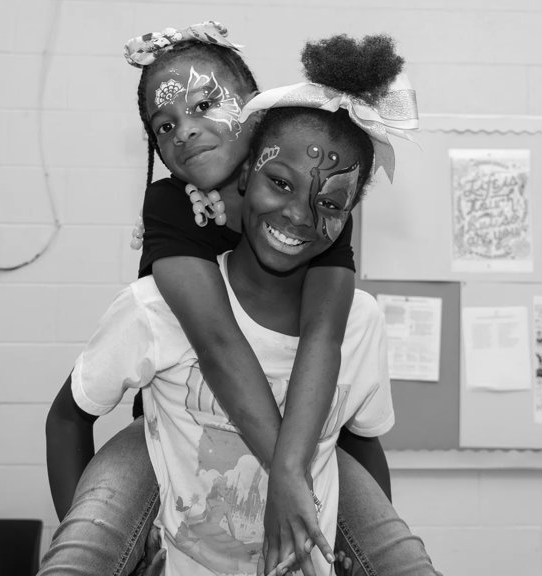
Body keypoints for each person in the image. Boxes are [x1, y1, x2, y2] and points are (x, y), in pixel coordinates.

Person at [39, 24, 437, 576]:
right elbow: (217, 341)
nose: (186, 132)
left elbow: (325, 335)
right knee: (84, 547)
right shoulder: (172, 208)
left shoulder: (319, 196)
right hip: (172, 428)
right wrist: (290, 477)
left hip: (309, 436)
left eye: (206, 104)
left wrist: (298, 475)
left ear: (250, 114)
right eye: (166, 125)